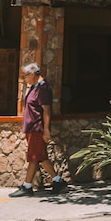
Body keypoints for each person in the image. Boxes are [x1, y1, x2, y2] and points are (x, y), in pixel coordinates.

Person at [10, 63, 66, 197]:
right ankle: (57, 182)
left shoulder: (43, 89)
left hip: (37, 128)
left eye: (26, 76)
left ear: (33, 74)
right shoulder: (35, 87)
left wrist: (46, 130)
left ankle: (27, 186)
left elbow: (47, 110)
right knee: (39, 156)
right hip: (31, 128)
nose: (25, 79)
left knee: (35, 156)